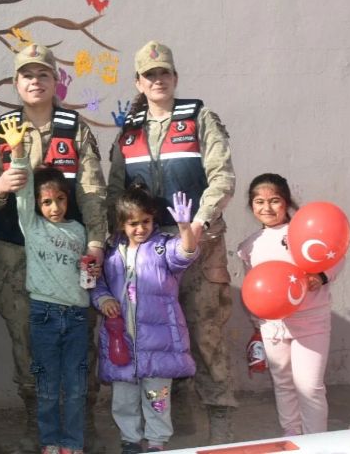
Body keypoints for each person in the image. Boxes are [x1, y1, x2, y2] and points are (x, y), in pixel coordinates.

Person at [106, 40, 237, 444]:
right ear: (139, 82)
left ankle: (220, 427)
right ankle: (170, 431)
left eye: (164, 73)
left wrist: (196, 224)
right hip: (146, 253)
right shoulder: (128, 133)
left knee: (203, 335)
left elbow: (223, 178)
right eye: (150, 75)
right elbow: (115, 191)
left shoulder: (199, 117)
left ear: (175, 77)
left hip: (198, 245)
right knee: (154, 336)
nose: (157, 80)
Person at [0, 43, 107, 453]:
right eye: (27, 75)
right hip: (16, 255)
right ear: (16, 83)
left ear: (56, 81)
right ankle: (39, 427)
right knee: (26, 339)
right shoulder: (3, 128)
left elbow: (91, 192)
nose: (35, 81)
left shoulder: (76, 128)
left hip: (68, 259)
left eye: (43, 74)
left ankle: (81, 427)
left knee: (78, 340)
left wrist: (96, 243)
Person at [0, 116, 97, 454]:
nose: (54, 207)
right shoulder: (32, 226)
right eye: (46, 202)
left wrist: (91, 271)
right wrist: (18, 150)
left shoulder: (80, 231)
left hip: (77, 317)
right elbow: (23, 190)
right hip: (43, 315)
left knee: (75, 386)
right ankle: (50, 442)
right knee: (46, 385)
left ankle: (72, 443)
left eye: (59, 200)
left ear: (68, 199)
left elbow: (89, 271)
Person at [93, 187, 198, 453]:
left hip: (158, 345)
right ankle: (130, 440)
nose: (140, 229)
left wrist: (185, 228)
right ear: (121, 224)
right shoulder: (112, 250)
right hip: (121, 343)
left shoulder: (163, 247)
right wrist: (103, 299)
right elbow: (97, 282)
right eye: (133, 223)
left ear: (153, 219)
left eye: (146, 222)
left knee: (157, 398)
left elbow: (185, 254)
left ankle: (156, 442)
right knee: (124, 398)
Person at [237, 173, 341, 436]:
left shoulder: (304, 232)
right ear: (252, 206)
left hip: (311, 321)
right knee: (283, 384)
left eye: (274, 201)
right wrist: (257, 328)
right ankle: (291, 438)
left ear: (287, 202)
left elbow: (335, 255)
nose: (267, 208)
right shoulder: (249, 246)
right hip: (273, 326)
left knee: (310, 387)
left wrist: (321, 276)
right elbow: (254, 289)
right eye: (259, 202)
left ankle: (317, 444)